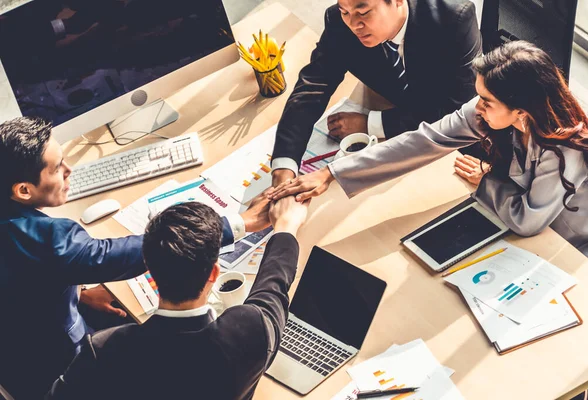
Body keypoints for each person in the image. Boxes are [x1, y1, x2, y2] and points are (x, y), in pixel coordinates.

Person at [0, 117, 272, 399]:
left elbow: (28, 266)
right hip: (50, 367)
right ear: (23, 190)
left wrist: (75, 289)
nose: (70, 170)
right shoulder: (46, 240)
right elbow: (101, 255)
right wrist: (237, 224)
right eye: (57, 168)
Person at [270, 41, 588, 264]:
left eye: (487, 101)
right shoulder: (487, 113)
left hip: (578, 251)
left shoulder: (561, 152)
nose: (477, 107)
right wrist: (333, 173)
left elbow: (528, 221)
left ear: (522, 112)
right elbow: (424, 140)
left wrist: (486, 180)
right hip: (538, 238)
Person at [46, 197, 309, 400]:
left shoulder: (104, 349)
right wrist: (286, 227)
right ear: (214, 273)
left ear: (148, 264)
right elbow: (273, 287)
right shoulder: (248, 331)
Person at [271, 0, 482, 186]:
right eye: (345, 11)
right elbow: (313, 86)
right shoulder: (339, 22)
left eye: (363, 12)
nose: (354, 25)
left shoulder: (453, 19)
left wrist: (372, 123)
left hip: (459, 147)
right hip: (392, 114)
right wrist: (284, 165)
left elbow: (457, 111)